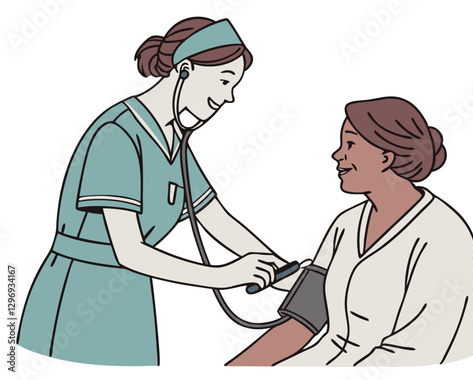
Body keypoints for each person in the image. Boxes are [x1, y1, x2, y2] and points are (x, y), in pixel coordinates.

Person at [17, 17, 287, 366]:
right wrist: (223, 276)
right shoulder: (118, 135)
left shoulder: (175, 140)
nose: (229, 97)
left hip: (131, 297)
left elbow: (218, 221)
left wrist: (286, 273)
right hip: (76, 299)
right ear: (185, 70)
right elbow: (129, 251)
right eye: (224, 81)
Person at [227, 96, 473, 366]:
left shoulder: (442, 234)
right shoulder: (346, 224)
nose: (337, 155)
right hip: (327, 360)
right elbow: (303, 320)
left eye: (349, 144)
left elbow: (416, 351)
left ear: (385, 157)